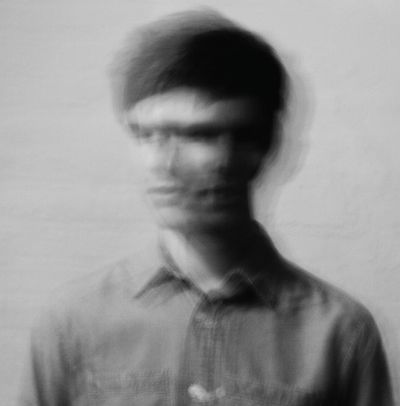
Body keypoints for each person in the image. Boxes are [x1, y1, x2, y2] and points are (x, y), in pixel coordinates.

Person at [19, 10, 394, 406]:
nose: (160, 163)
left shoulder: (340, 334)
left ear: (262, 145)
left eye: (196, 135)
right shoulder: (70, 322)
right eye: (145, 134)